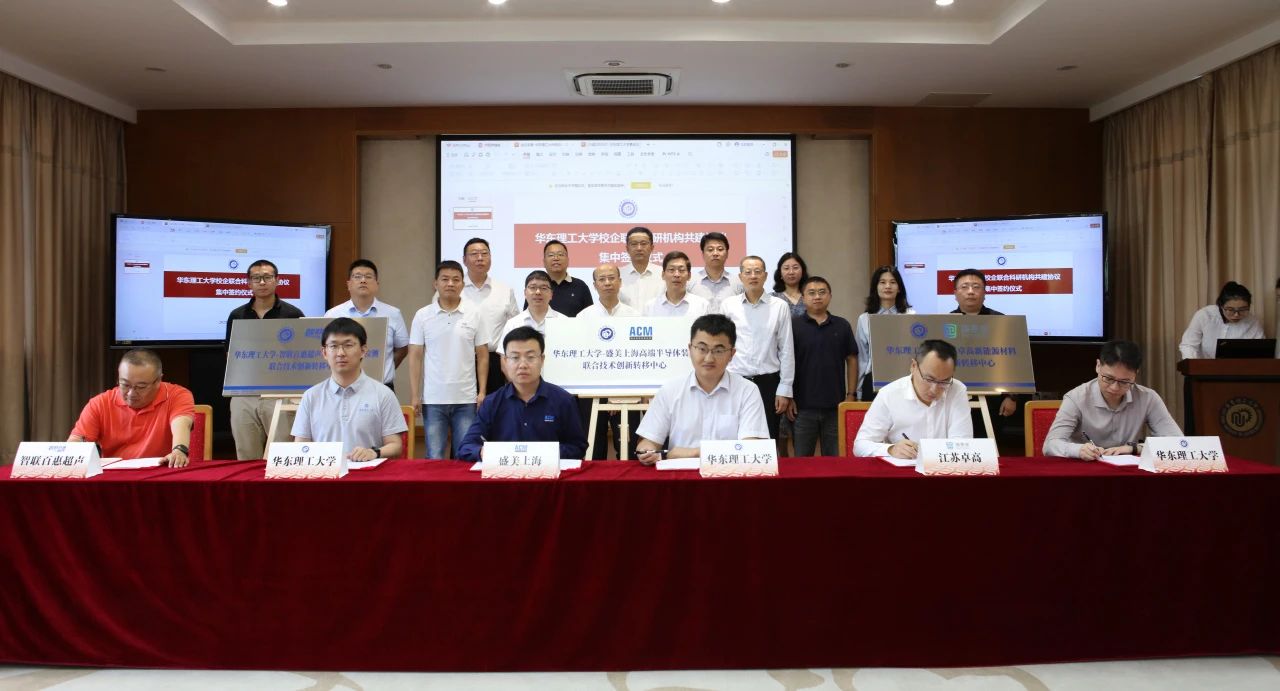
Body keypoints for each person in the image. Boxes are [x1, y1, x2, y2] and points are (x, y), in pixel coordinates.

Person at [636, 314, 769, 464]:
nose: (708, 358)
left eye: (718, 351)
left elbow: (750, 449)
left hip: (728, 474)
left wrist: (690, 453)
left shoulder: (748, 391)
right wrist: (647, 450)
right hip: (680, 476)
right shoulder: (670, 390)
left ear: (732, 354)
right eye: (702, 349)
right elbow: (648, 442)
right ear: (690, 349)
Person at [456, 327, 588, 461]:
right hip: (504, 472)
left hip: (548, 473)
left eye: (530, 357)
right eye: (515, 357)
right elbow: (466, 447)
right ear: (505, 361)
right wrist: (483, 452)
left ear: (542, 360)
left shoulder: (563, 400)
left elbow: (578, 447)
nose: (523, 365)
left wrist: (542, 453)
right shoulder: (492, 402)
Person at [1044, 340, 1182, 459]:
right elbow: (1050, 445)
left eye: (1125, 381)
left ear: (1136, 374)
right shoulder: (1076, 398)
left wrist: (1134, 448)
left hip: (1127, 470)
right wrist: (1078, 450)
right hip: (1085, 467)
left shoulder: (1148, 398)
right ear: (1098, 366)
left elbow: (1178, 443)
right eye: (1108, 378)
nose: (1115, 387)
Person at [292, 318, 406, 461]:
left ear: (363, 350)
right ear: (324, 352)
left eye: (348, 345)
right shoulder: (311, 396)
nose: (341, 353)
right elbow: (300, 446)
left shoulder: (383, 394)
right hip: (325, 473)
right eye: (333, 346)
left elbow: (395, 445)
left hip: (368, 472)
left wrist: (374, 452)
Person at [225, 258, 306, 460]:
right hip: (245, 392)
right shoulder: (237, 315)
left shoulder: (293, 314)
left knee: (282, 453)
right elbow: (230, 354)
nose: (262, 282)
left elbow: (300, 355)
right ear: (248, 283)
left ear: (277, 280)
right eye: (256, 278)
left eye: (267, 277)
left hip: (280, 391)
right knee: (246, 452)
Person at [409, 261, 489, 459]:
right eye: (445, 279)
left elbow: (483, 355)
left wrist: (482, 392)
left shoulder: (474, 313)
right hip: (433, 399)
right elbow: (415, 355)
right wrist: (415, 395)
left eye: (456, 279)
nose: (450, 284)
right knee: (434, 456)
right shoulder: (422, 315)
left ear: (463, 284)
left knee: (465, 455)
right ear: (435, 283)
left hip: (466, 398)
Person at [69, 349, 195, 466]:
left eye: (140, 387)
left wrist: (179, 450)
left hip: (160, 471)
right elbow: (76, 442)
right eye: (125, 385)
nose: (131, 393)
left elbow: (182, 424)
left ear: (158, 381)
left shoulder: (177, 395)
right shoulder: (100, 403)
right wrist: (74, 450)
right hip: (115, 475)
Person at [720, 255, 795, 446]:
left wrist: (785, 389)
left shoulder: (779, 306)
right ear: (740, 276)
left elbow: (786, 349)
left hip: (768, 383)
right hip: (735, 380)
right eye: (748, 272)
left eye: (757, 271)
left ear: (765, 275)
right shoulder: (728, 305)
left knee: (767, 439)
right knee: (733, 437)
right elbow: (721, 346)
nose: (753, 276)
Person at [853, 339, 972, 459]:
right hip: (904, 469)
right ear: (914, 366)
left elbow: (962, 443)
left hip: (942, 468)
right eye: (929, 379)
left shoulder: (957, 390)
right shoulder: (889, 394)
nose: (934, 389)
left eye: (944, 381)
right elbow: (860, 445)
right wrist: (890, 449)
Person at [578, 263, 641, 460]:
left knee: (628, 447)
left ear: (620, 282)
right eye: (602, 279)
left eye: (612, 278)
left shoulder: (635, 316)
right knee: (592, 447)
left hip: (627, 390)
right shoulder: (583, 317)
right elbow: (580, 359)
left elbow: (639, 357)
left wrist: (618, 393)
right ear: (595, 285)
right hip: (591, 390)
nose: (607, 283)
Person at [791, 276, 857, 456]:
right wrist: (789, 396)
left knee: (835, 461)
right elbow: (786, 361)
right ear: (803, 298)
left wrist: (851, 394)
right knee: (801, 461)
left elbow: (852, 359)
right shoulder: (793, 326)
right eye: (811, 293)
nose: (817, 297)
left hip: (835, 406)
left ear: (830, 296)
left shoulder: (842, 325)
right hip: (802, 407)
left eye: (822, 292)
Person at [324, 259, 409, 390]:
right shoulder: (333, 314)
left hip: (382, 387)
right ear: (349, 284)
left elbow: (402, 349)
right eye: (357, 276)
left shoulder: (393, 314)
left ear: (377, 284)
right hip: (343, 387)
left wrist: (385, 369)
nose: (363, 280)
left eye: (368, 277)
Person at [949, 267, 1019, 426]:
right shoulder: (946, 321)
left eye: (976, 287)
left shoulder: (1001, 321)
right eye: (964, 287)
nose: (970, 291)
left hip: (994, 397)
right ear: (955, 293)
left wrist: (1012, 397)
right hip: (955, 396)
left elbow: (1013, 361)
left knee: (991, 437)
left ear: (985, 292)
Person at [461, 237, 520, 398]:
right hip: (461, 360)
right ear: (464, 260)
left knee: (494, 408)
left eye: (484, 253)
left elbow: (515, 327)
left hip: (494, 362)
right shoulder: (453, 290)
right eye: (474, 254)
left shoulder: (504, 290)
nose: (480, 258)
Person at [856, 265, 916, 400]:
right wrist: (858, 391)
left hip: (904, 379)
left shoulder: (910, 315)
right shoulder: (864, 318)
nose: (888, 286)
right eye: (882, 282)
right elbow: (862, 359)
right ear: (875, 287)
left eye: (893, 282)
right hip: (873, 379)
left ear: (899, 288)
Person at [1178, 281, 1264, 359]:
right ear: (1221, 305)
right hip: (1206, 368)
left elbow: (1260, 349)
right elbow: (1188, 345)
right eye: (1230, 310)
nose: (1236, 315)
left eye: (1242, 309)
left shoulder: (1252, 321)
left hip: (1241, 369)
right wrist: (1196, 366)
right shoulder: (1205, 315)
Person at [499, 270, 567, 352]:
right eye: (533, 287)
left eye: (544, 288)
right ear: (525, 293)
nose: (538, 292)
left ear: (551, 294)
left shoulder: (564, 322)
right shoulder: (513, 324)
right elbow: (504, 356)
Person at [643, 251, 711, 317]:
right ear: (663, 275)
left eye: (681, 270)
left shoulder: (702, 306)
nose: (676, 274)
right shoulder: (650, 307)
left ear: (689, 276)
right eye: (671, 270)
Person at [689, 231, 744, 311]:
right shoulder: (690, 282)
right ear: (703, 254)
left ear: (727, 254)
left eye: (720, 249)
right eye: (710, 250)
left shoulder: (738, 283)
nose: (715, 253)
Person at [540, 240, 594, 317]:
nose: (556, 258)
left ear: (568, 260)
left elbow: (590, 316)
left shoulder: (580, 286)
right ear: (544, 262)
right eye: (551, 255)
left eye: (560, 254)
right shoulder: (537, 287)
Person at [619, 227, 665, 309]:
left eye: (643, 244)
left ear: (652, 248)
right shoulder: (618, 275)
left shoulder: (664, 274)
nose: (639, 248)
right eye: (634, 244)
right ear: (627, 249)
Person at [771, 252, 809, 318]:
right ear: (780, 273)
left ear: (803, 271)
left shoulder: (810, 297)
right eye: (786, 268)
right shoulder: (772, 298)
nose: (791, 272)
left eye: (795, 268)